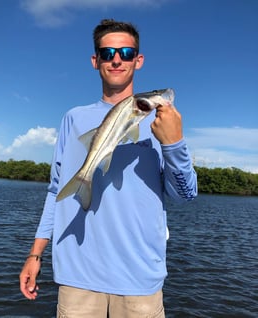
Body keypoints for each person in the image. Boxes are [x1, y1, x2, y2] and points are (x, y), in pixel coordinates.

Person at [20, 19, 197, 317]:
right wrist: (35, 253)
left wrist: (173, 143)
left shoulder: (161, 123)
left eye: (126, 52)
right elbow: (55, 192)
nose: (117, 59)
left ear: (138, 61)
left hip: (140, 279)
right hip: (78, 277)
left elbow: (185, 195)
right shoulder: (73, 119)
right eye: (107, 53)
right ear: (95, 61)